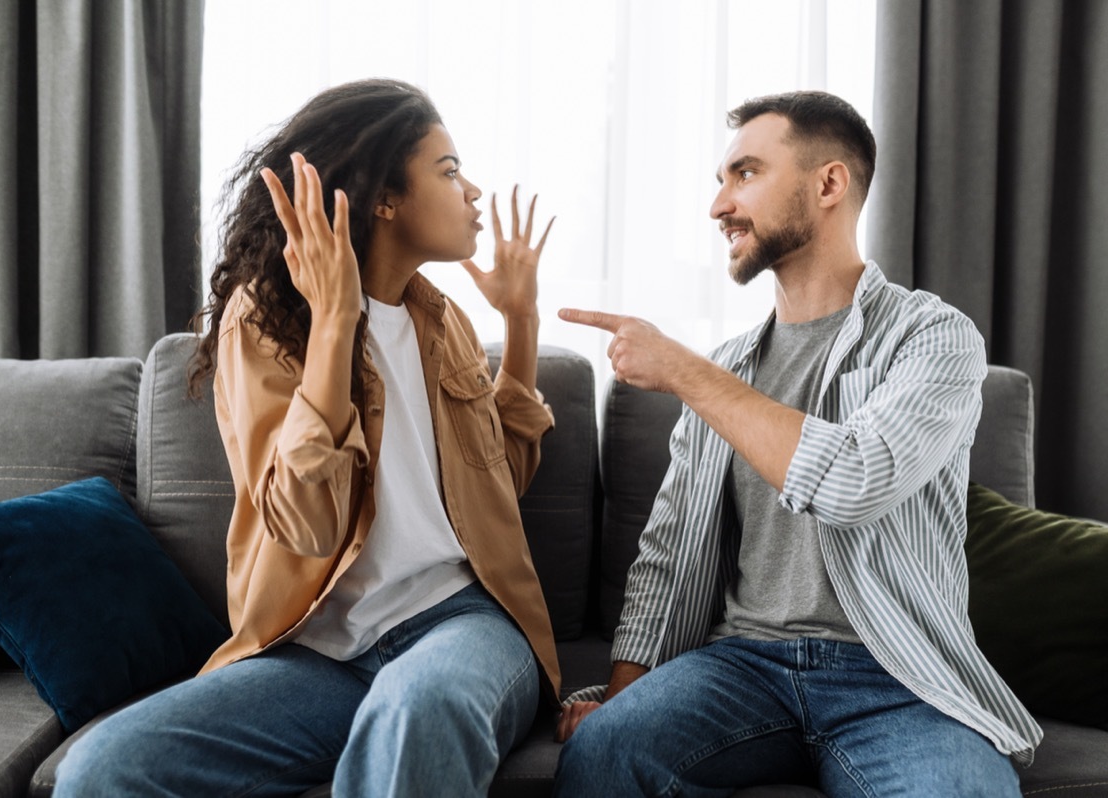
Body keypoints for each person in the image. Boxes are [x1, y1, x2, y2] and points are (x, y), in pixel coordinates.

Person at [55, 78, 560, 797]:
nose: (473, 191)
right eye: (449, 171)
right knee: (102, 769)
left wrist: (522, 322)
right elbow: (307, 524)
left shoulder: (443, 321)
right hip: (315, 653)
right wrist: (333, 325)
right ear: (385, 198)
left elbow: (499, 486)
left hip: (460, 624)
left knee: (418, 706)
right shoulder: (261, 323)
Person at [551, 90, 1042, 797]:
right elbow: (667, 552)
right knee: (601, 757)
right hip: (742, 667)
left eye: (744, 174)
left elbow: (855, 479)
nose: (719, 205)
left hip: (897, 676)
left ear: (829, 184)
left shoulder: (933, 339)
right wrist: (620, 697)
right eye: (721, 180)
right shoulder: (728, 369)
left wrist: (686, 371)